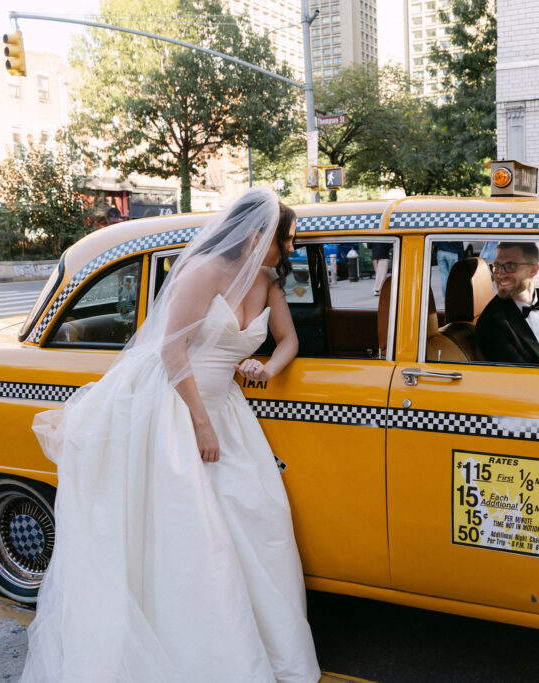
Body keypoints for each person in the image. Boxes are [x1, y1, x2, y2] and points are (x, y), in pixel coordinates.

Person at [21, 188, 320, 682]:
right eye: (284, 241)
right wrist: (200, 422)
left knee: (256, 518)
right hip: (176, 408)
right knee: (189, 533)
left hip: (227, 408)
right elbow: (171, 351)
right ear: (254, 235)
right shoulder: (203, 271)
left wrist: (267, 367)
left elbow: (288, 339)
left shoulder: (267, 280)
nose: (288, 250)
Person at [476, 242, 539, 365]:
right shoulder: (491, 321)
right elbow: (518, 376)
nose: (499, 275)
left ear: (533, 270)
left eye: (510, 266)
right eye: (496, 266)